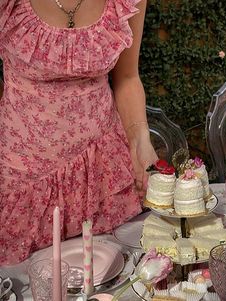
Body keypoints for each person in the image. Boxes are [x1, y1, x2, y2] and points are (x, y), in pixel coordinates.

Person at [0, 0, 157, 265]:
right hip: (23, 185)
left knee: (109, 277)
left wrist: (139, 140)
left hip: (102, 176)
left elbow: (128, 77)